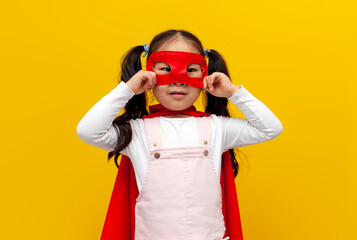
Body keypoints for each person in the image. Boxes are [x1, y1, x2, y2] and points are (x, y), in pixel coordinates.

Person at [76, 29, 283, 240]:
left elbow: (269, 128)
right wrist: (128, 89)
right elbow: (88, 130)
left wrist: (233, 92)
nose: (179, 81)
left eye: (191, 70)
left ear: (205, 74)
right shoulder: (135, 132)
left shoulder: (217, 127)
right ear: (149, 74)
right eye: (165, 69)